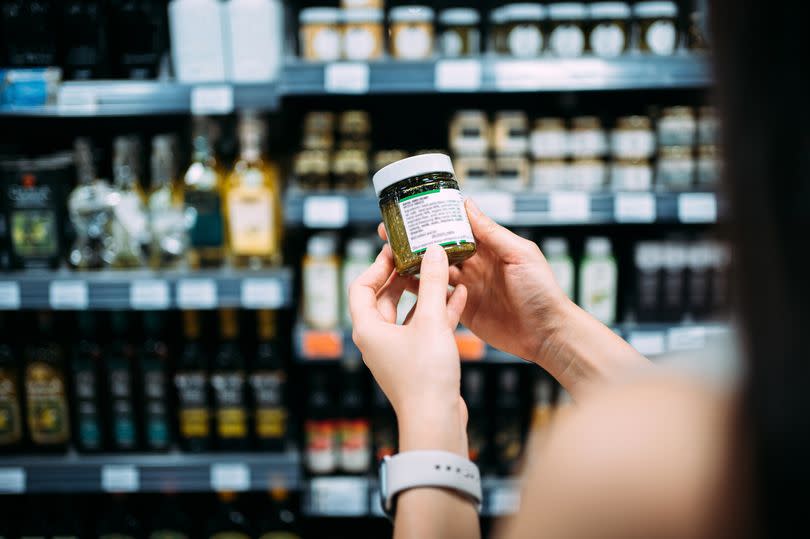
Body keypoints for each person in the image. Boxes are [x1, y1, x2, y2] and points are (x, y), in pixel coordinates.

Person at [350, 3, 808, 538]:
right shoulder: (741, 441)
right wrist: (551, 332)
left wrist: (429, 409)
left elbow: (677, 444)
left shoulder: (610, 473)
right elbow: (681, 429)